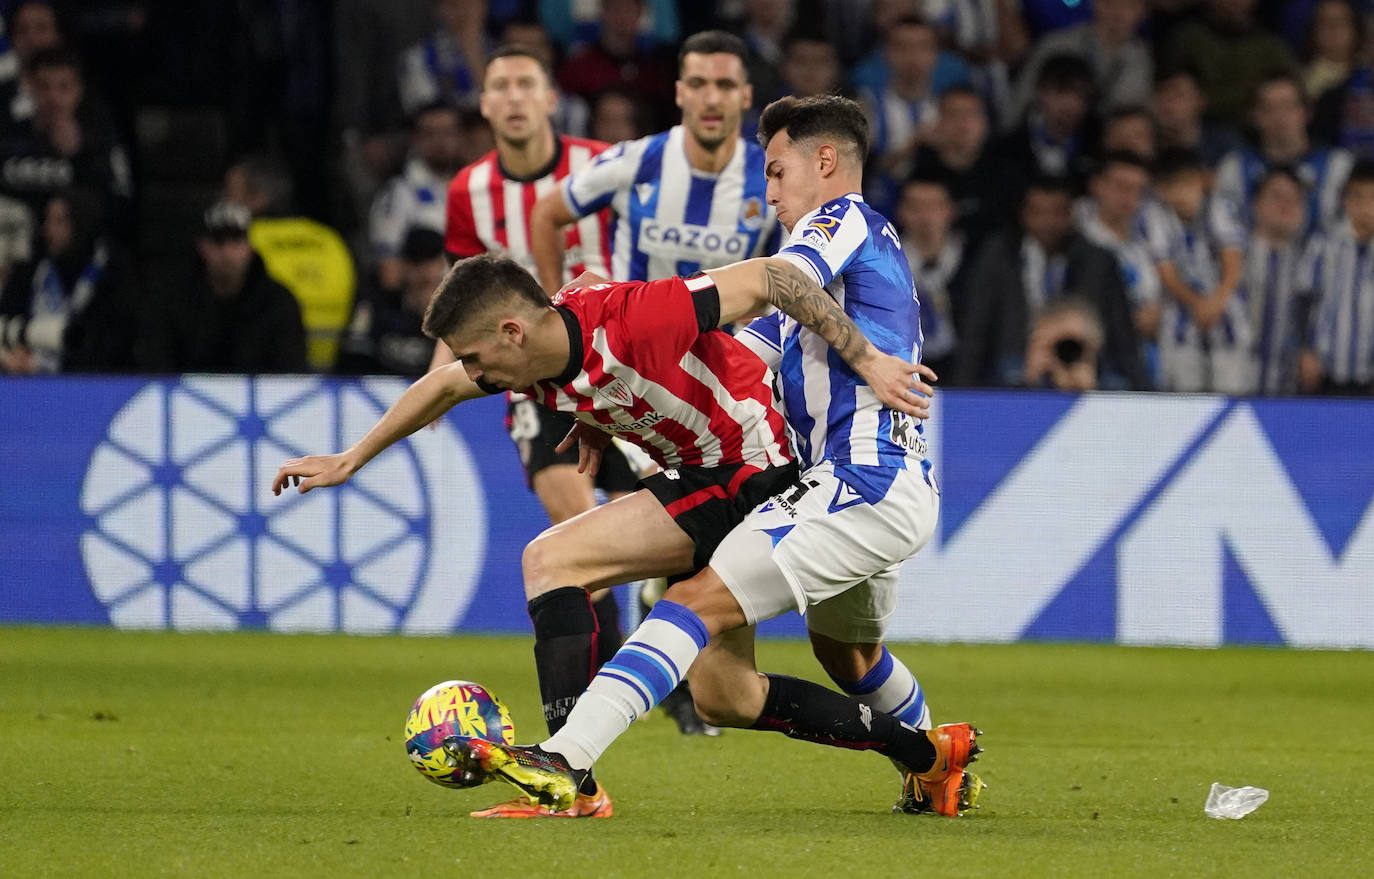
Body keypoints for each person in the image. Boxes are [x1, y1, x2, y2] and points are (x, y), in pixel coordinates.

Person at [439, 95, 984, 819]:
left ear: (826, 162)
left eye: (778, 170)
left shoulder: (842, 218)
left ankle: (567, 759)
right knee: (848, 657)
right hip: (876, 487)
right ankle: (934, 761)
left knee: (691, 600)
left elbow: (773, 279)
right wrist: (603, 384)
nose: (771, 190)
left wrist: (861, 357)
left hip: (863, 481)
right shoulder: (832, 289)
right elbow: (731, 358)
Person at [271, 248, 936, 815]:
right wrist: (349, 458)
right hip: (703, 474)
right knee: (725, 695)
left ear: (511, 332)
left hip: (754, 470)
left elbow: (771, 277)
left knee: (553, 558)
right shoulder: (537, 349)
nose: (476, 376)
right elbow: (442, 386)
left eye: (478, 358)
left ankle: (567, 779)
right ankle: (922, 750)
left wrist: (868, 358)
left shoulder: (634, 318)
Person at [428, 46, 663, 759]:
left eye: (526, 82)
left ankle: (667, 648)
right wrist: (435, 385)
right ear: (486, 106)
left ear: (551, 97)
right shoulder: (468, 190)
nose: (514, 96)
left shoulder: (601, 162)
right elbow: (463, 303)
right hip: (535, 379)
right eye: (499, 85)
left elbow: (648, 248)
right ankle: (614, 667)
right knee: (570, 506)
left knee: (667, 509)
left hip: (624, 364)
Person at [529, 30, 778, 293]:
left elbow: (788, 274)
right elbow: (546, 213)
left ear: (746, 96)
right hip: (634, 335)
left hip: (731, 335)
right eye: (697, 84)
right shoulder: (633, 161)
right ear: (680, 93)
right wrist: (553, 310)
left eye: (725, 85)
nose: (712, 99)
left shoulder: (771, 178)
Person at [958, 175, 1147, 389]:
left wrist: (1142, 393)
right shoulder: (998, 256)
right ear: (1024, 214)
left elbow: (1123, 336)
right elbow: (975, 329)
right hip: (1015, 364)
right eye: (1038, 212)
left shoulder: (1098, 261)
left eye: (1057, 213)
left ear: (1070, 214)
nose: (1047, 222)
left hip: (1084, 361)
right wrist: (963, 391)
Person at [138, 199, 307, 374]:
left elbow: (291, 373)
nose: (227, 252)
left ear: (249, 246)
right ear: (202, 246)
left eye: (236, 239)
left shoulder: (279, 302)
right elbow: (156, 368)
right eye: (218, 240)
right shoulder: (172, 299)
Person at [224, 153, 356, 371]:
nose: (226, 201)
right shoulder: (329, 239)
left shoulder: (246, 242)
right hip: (333, 370)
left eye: (231, 192)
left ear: (258, 198)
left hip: (272, 373)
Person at [1144, 148, 1255, 394]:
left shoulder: (1219, 206)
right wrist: (1198, 304)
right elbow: (1166, 271)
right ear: (1161, 189)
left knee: (1231, 394)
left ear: (1202, 181)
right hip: (1181, 321)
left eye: (1187, 183)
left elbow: (1233, 262)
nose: (1181, 194)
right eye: (1172, 186)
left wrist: (1216, 301)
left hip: (1227, 316)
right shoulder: (1156, 215)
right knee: (1183, 396)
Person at [0, 188, 135, 373]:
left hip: (91, 383)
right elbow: (9, 317)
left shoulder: (114, 273)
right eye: (47, 220)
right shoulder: (33, 269)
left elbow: (115, 344)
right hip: (26, 378)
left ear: (80, 224)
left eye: (59, 222)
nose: (47, 230)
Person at [1214, 73, 1354, 232]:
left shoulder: (1340, 166)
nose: (1280, 117)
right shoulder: (1233, 169)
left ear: (1307, 112)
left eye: (1288, 106)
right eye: (1269, 108)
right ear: (1254, 116)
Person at [368, 101, 465, 290]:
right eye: (431, 133)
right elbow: (389, 273)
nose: (441, 141)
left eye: (448, 131)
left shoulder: (475, 187)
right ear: (416, 139)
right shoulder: (399, 192)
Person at [1297, 159, 1374, 394]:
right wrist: (1305, 350)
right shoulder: (1325, 242)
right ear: (1346, 200)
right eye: (1357, 197)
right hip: (1327, 369)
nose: (1365, 207)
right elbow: (1303, 300)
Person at [337, 227, 449, 377]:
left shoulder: (456, 315)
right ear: (403, 265)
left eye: (431, 263)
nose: (425, 273)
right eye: (416, 263)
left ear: (443, 265)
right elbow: (353, 359)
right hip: (385, 391)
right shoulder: (379, 306)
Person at [1242, 167, 1310, 395]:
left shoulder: (1315, 260)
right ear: (1255, 204)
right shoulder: (1229, 258)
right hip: (1231, 384)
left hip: (1291, 391)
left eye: (1295, 199)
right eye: (1277, 197)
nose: (1286, 206)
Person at [895, 175, 966, 377]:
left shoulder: (973, 261)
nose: (925, 216)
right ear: (901, 212)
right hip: (903, 370)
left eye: (934, 206)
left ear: (951, 211)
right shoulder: (885, 261)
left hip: (962, 371)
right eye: (915, 207)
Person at [1151, 66, 1243, 168]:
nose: (1167, 100)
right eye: (1161, 92)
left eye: (1178, 94)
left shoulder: (1224, 144)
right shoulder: (1145, 144)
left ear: (1200, 101)